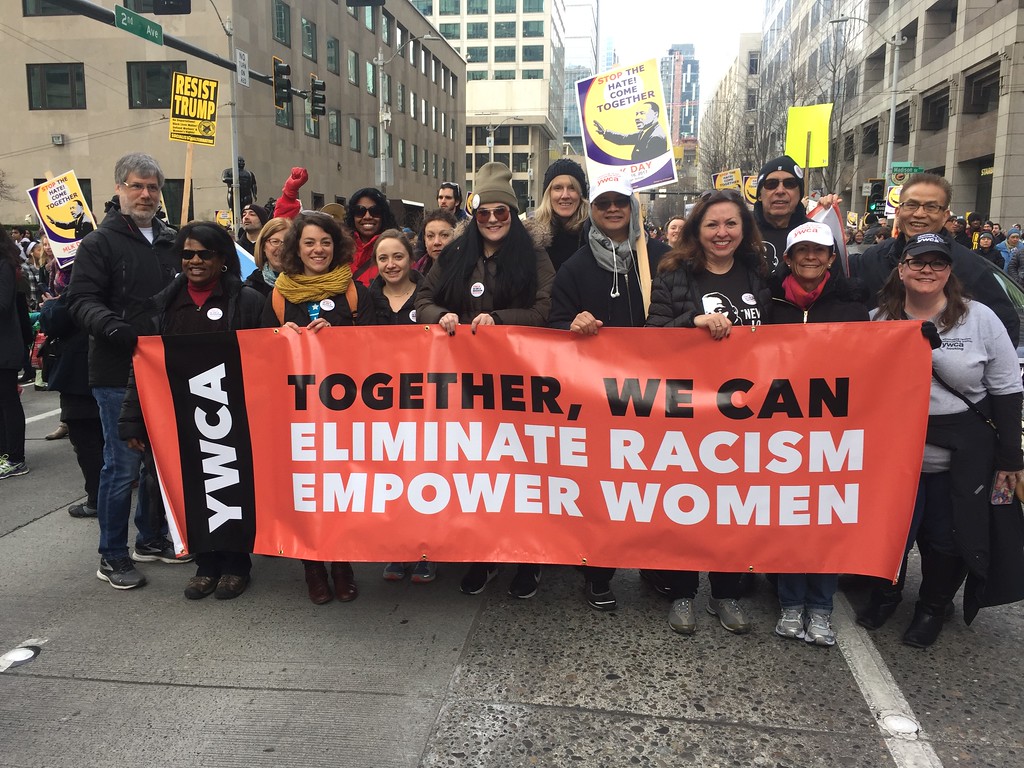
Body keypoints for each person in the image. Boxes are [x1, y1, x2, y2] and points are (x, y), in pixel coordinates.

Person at [871, 233, 1024, 648]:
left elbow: (1008, 389)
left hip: (960, 454)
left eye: (938, 263)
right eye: (918, 262)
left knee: (948, 537)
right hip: (896, 455)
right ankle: (886, 595)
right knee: (891, 532)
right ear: (901, 269)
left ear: (949, 271)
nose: (927, 270)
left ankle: (932, 607)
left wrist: (1012, 457)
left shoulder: (979, 319)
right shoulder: (877, 321)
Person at [416, 161, 555, 598]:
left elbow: (544, 310)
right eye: (485, 213)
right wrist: (442, 316)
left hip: (521, 382)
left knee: (523, 473)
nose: (493, 220)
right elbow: (422, 298)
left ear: (513, 215)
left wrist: (497, 318)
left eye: (502, 213)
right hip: (468, 387)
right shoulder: (456, 254)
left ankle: (529, 560)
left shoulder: (533, 256)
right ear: (473, 215)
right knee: (479, 473)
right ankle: (484, 555)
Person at [645, 189, 771, 634]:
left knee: (733, 508)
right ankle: (682, 593)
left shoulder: (757, 274)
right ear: (698, 230)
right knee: (685, 504)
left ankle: (725, 592)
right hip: (687, 413)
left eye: (731, 224)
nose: (722, 233)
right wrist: (691, 323)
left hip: (743, 414)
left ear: (744, 230)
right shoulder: (674, 274)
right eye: (713, 224)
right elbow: (652, 336)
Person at [119, 222, 264, 600]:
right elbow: (143, 368)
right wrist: (133, 419)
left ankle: (236, 563)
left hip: (234, 415)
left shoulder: (246, 301)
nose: (196, 261)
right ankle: (205, 563)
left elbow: (268, 360)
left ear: (222, 259)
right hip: (180, 416)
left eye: (205, 254)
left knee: (233, 485)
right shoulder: (162, 305)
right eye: (188, 254)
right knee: (191, 487)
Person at [548, 172, 669, 611]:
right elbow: (553, 323)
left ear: (632, 207)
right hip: (598, 399)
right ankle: (597, 571)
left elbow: (681, 309)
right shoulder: (576, 266)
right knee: (602, 488)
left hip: (657, 394)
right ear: (592, 212)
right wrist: (571, 325)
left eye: (621, 201)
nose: (613, 209)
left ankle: (657, 564)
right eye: (604, 203)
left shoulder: (660, 257)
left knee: (654, 485)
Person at [66, 152, 186, 590]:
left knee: (160, 463)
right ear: (119, 189)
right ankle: (112, 555)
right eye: (136, 186)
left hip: (166, 370)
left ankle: (150, 538)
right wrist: (115, 329)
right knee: (122, 468)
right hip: (118, 371)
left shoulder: (173, 242)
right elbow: (80, 300)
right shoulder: (100, 243)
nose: (145, 194)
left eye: (153, 187)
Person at [262, 211, 374, 605]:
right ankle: (312, 567)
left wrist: (341, 337)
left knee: (340, 492)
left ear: (337, 246)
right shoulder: (278, 295)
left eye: (325, 242)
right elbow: (259, 356)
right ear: (296, 248)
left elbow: (381, 349)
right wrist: (280, 336)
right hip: (298, 417)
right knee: (306, 493)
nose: (318, 250)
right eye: (309, 242)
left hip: (346, 414)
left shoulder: (355, 291)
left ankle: (342, 564)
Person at [767, 222, 869, 647]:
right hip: (778, 429)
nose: (811, 257)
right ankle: (791, 603)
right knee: (791, 517)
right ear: (788, 259)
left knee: (825, 518)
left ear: (831, 258)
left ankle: (821, 607)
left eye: (819, 251)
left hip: (832, 431)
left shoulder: (851, 304)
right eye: (802, 250)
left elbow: (872, 359)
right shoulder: (769, 304)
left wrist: (912, 342)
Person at [850, 173, 1020, 345]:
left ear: (945, 215)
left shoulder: (970, 265)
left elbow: (1006, 324)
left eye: (931, 207)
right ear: (898, 211)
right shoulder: (872, 259)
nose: (919, 214)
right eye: (911, 205)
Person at [366, 229, 436, 582]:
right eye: (383, 258)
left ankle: (424, 551)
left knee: (422, 475)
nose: (391, 264)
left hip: (425, 405)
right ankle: (395, 549)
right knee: (389, 478)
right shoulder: (365, 300)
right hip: (379, 407)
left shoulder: (429, 296)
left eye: (398, 257)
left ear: (411, 259)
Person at [0, 228, 29, 479]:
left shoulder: (4, 265)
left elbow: (3, 304)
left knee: (8, 401)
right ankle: (4, 453)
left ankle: (15, 457)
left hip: (5, 346)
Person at [528, 158, 590, 272]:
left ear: (581, 194)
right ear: (548, 194)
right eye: (558, 188)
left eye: (572, 188)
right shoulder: (530, 237)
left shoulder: (594, 235)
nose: (565, 195)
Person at [345, 187, 398, 287]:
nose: (367, 216)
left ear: (383, 215)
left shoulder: (399, 248)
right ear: (352, 216)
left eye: (375, 211)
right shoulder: (339, 249)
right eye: (360, 211)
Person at [593, 101, 669, 163]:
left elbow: (651, 165)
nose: (637, 117)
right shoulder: (645, 132)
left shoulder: (656, 137)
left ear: (655, 115)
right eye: (637, 114)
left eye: (642, 113)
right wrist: (604, 133)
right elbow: (623, 139)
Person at [245, 217, 290, 298]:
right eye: (275, 241)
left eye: (287, 242)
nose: (282, 248)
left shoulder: (308, 282)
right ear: (263, 246)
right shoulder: (251, 289)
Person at [414, 209, 456, 276]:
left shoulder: (466, 272)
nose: (436, 242)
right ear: (424, 239)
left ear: (455, 237)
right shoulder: (415, 272)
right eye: (430, 236)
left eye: (444, 235)